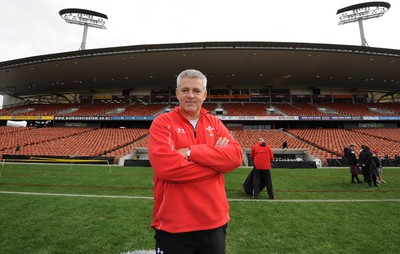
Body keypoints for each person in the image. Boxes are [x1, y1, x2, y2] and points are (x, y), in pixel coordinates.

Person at [147, 69, 243, 254]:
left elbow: (236, 157)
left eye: (196, 91)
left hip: (215, 222)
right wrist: (216, 165)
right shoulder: (162, 122)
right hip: (174, 225)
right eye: (185, 90)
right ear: (177, 93)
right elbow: (166, 168)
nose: (191, 95)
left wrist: (191, 152)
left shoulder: (215, 123)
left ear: (204, 95)